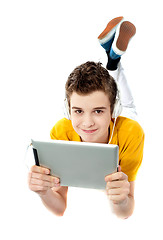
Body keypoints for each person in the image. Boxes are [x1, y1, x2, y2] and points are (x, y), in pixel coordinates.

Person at [28, 17, 144, 219]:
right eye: (78, 111)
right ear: (68, 110)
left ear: (112, 111)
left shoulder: (131, 133)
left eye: (99, 111)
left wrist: (122, 200)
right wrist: (44, 192)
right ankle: (113, 59)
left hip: (123, 121)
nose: (87, 123)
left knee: (128, 104)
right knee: (108, 91)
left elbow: (125, 213)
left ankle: (113, 61)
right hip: (110, 111)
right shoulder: (61, 131)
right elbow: (60, 207)